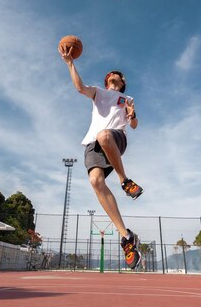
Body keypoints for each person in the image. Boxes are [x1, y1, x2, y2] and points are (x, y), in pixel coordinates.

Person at [60, 45, 144, 270]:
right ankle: (126, 238)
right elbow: (79, 88)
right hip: (92, 144)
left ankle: (124, 180)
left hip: (116, 139)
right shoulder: (98, 92)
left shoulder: (126, 99)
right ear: (108, 80)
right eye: (112, 75)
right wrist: (70, 63)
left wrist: (132, 114)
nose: (115, 76)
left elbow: (134, 125)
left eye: (119, 75)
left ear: (122, 82)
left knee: (105, 135)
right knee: (96, 182)